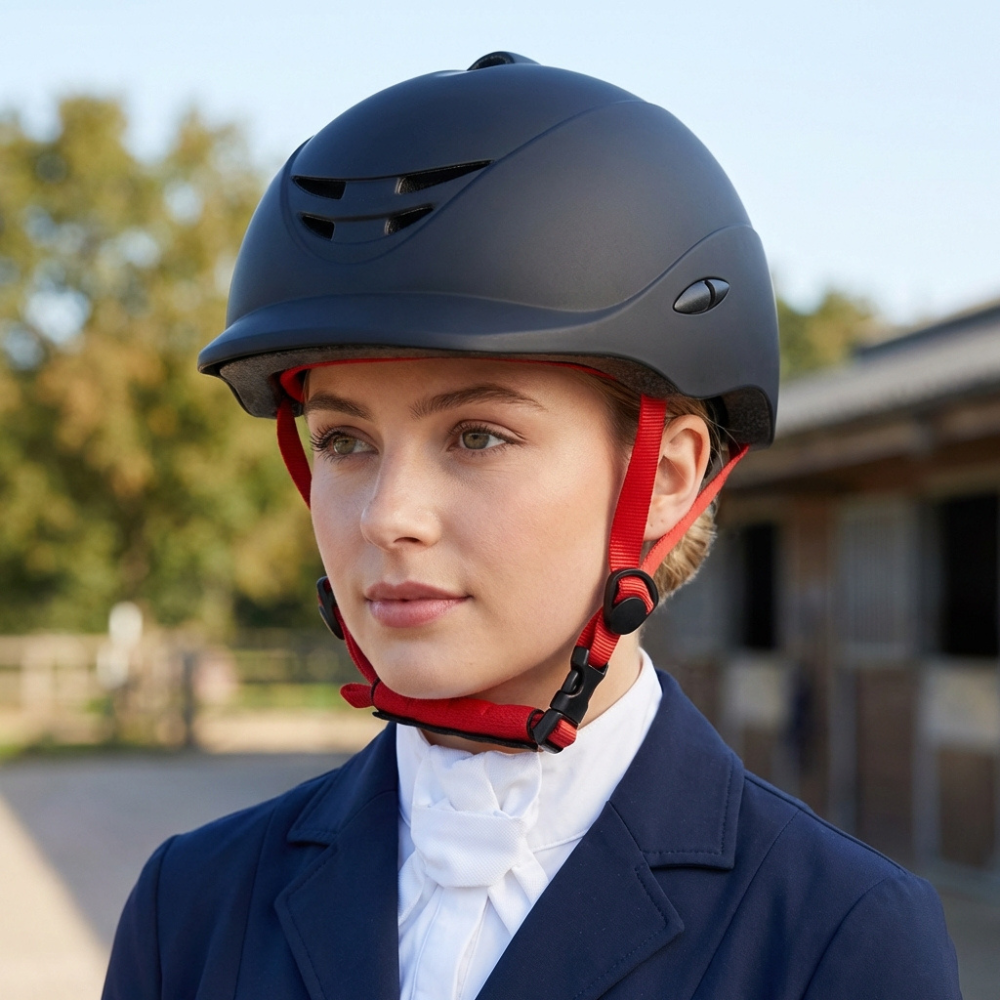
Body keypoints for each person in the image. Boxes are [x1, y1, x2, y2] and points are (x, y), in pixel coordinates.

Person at [103, 53, 961, 1000]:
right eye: (344, 440)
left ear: (666, 476)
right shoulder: (190, 905)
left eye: (477, 435)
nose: (388, 515)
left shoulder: (836, 940)